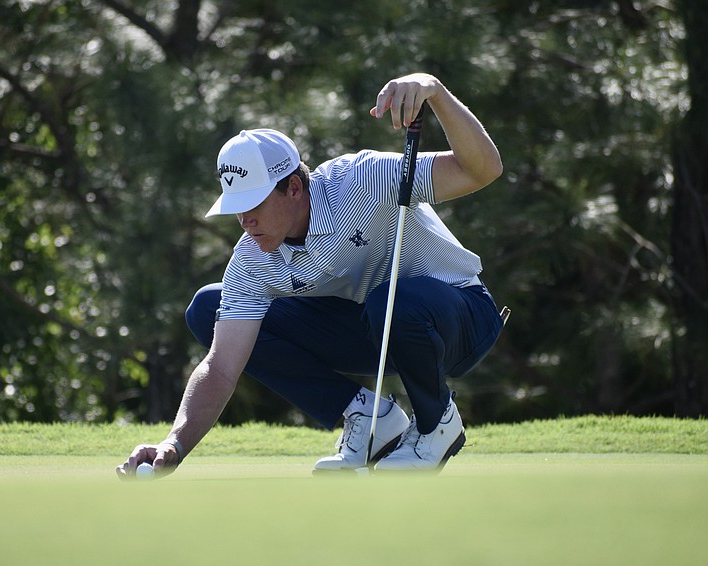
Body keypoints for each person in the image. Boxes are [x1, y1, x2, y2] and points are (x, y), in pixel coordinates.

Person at [117, 72, 504, 478]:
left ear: (295, 189)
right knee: (207, 308)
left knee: (391, 300)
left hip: (460, 318)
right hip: (376, 329)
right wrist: (173, 443)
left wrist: (436, 91)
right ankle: (368, 416)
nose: (244, 220)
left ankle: (436, 423)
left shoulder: (362, 180)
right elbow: (221, 368)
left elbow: (482, 170)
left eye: (255, 204)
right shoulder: (252, 259)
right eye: (237, 206)